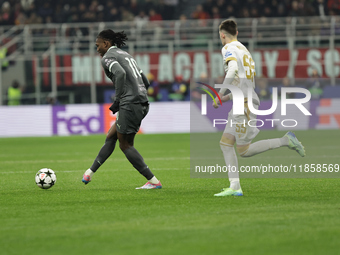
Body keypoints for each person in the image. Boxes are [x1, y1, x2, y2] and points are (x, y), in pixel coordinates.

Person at [212, 20, 305, 197]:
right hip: (242, 100)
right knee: (225, 144)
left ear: (222, 34)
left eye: (220, 35)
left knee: (244, 151)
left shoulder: (228, 49)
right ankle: (235, 186)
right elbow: (244, 83)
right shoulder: (245, 51)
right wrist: (226, 97)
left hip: (244, 104)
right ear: (237, 32)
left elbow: (231, 72)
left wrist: (219, 93)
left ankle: (286, 140)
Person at [82, 29, 162, 189]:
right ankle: (89, 173)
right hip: (141, 102)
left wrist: (119, 99)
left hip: (130, 104)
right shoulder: (126, 55)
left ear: (106, 44)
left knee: (125, 145)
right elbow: (145, 80)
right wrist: (137, 95)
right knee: (112, 136)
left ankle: (153, 181)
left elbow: (119, 73)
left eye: (98, 45)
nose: (97, 49)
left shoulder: (108, 58)